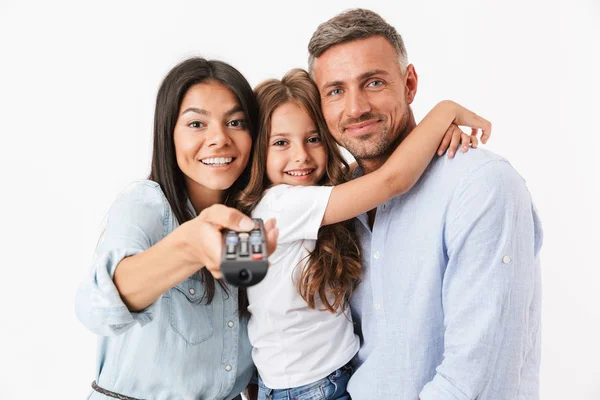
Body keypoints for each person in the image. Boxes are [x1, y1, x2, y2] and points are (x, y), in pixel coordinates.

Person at [307, 8, 543, 400]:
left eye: (374, 82)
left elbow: (475, 379)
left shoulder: (480, 185)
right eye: (335, 91)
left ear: (410, 83)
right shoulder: (330, 200)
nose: (356, 108)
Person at [238, 68, 490, 400]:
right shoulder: (284, 204)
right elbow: (392, 180)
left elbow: (240, 284)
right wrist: (444, 113)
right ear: (259, 150)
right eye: (281, 143)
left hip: (295, 382)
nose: (300, 155)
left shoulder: (275, 205)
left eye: (313, 139)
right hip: (313, 388)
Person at [75, 57, 278, 400]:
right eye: (197, 124)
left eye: (236, 122)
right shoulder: (147, 204)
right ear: (168, 133)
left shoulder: (253, 222)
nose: (219, 139)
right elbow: (96, 309)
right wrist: (190, 247)